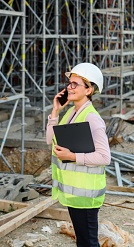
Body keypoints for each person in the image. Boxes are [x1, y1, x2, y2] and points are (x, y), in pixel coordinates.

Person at [46, 63, 111, 247]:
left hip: (87, 195)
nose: (69, 87)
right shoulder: (70, 114)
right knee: (83, 242)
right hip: (76, 194)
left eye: (75, 84)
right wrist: (55, 111)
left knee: (88, 243)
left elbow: (104, 157)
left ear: (89, 90)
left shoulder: (92, 118)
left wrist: (72, 156)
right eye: (69, 83)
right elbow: (49, 140)